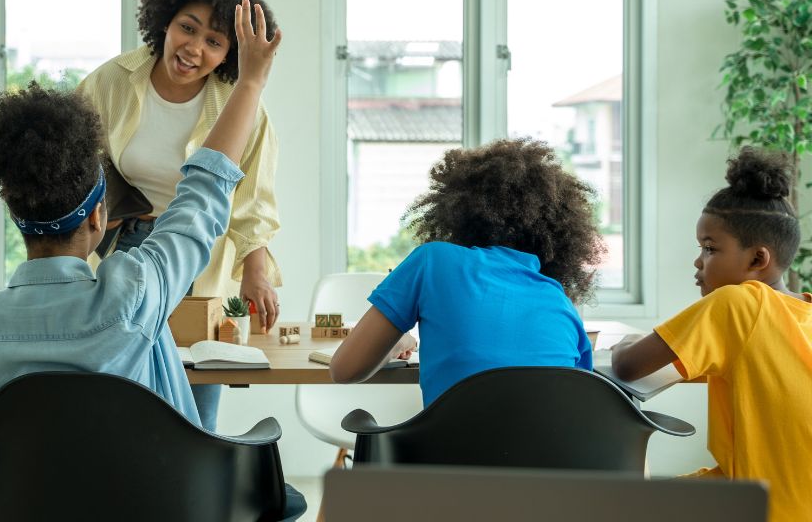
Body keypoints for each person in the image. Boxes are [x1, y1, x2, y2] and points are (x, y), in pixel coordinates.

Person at [0, 0, 305, 520]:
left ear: (12, 207)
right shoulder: (137, 292)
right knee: (281, 496)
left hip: (41, 510)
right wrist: (253, 81)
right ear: (99, 217)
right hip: (157, 508)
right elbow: (203, 197)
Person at [78, 0, 283, 431]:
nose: (194, 49)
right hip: (121, 256)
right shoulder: (111, 83)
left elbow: (252, 201)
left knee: (195, 403)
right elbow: (68, 169)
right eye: (187, 28)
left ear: (230, 53)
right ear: (164, 20)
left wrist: (256, 272)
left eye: (214, 41)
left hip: (198, 260)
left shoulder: (241, 108)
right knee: (121, 392)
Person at [611, 147, 812, 522]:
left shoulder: (738, 303)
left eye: (709, 248)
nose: (698, 261)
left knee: (623, 500)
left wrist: (624, 340)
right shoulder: (803, 312)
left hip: (766, 508)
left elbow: (627, 366)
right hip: (783, 498)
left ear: (757, 260)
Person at [330, 139, 604, 406]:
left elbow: (344, 370)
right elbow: (575, 405)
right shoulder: (562, 305)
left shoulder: (432, 260)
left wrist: (396, 342)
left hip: (446, 451)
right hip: (551, 453)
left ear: (457, 212)